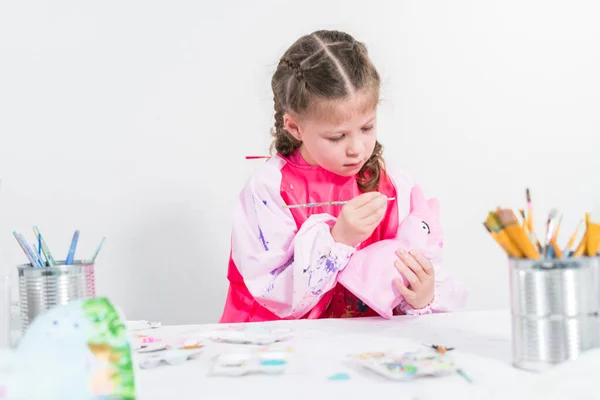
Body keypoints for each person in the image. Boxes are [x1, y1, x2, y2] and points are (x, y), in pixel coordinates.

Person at [219, 30, 468, 323]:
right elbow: (273, 292)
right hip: (283, 351)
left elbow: (421, 262)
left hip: (363, 351)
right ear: (295, 127)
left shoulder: (394, 188)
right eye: (337, 137)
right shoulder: (269, 191)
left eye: (367, 128)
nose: (357, 149)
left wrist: (423, 294)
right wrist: (338, 240)